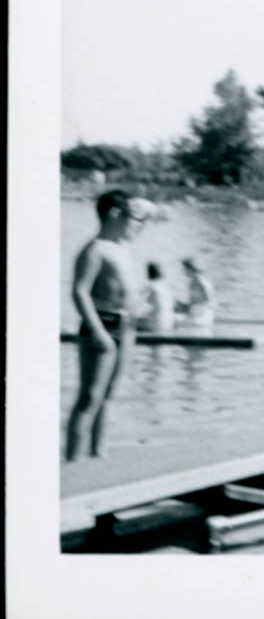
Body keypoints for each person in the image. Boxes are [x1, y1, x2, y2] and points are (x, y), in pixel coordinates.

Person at [65, 191, 155, 461]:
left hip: (126, 325)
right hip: (103, 324)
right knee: (90, 397)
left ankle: (98, 457)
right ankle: (73, 462)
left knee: (108, 397)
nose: (136, 225)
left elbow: (147, 215)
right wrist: (98, 331)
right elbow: (79, 291)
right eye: (131, 218)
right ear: (115, 215)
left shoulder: (121, 246)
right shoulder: (95, 250)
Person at [177, 257, 217, 326]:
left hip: (202, 316)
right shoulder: (192, 283)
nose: (183, 272)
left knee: (174, 320)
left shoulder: (201, 282)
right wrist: (181, 305)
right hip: (195, 312)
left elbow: (211, 301)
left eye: (184, 269)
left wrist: (204, 312)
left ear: (190, 269)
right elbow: (192, 303)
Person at [142, 262, 175, 333]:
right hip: (169, 319)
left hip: (157, 320)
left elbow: (142, 301)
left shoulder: (151, 286)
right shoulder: (165, 285)